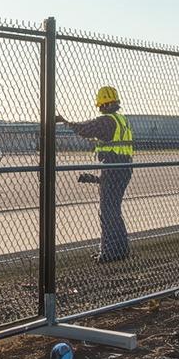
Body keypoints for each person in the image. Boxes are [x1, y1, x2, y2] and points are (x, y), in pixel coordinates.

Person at [56, 86, 134, 262]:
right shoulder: (122, 120)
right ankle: (121, 250)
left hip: (113, 167)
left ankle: (109, 252)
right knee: (114, 210)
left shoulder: (106, 121)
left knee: (107, 212)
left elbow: (86, 128)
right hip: (124, 167)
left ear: (102, 104)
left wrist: (65, 121)